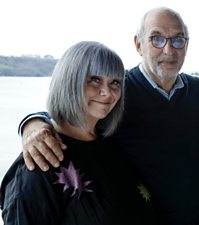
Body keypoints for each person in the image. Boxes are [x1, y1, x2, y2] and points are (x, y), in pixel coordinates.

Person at [15, 7, 199, 225]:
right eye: (156, 39)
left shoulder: (197, 91)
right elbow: (72, 115)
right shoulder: (119, 92)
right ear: (139, 45)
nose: (169, 49)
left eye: (178, 40)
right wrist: (33, 123)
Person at [0, 41, 156, 224]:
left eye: (114, 82)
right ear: (69, 80)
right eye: (95, 79)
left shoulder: (112, 144)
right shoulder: (40, 163)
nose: (107, 92)